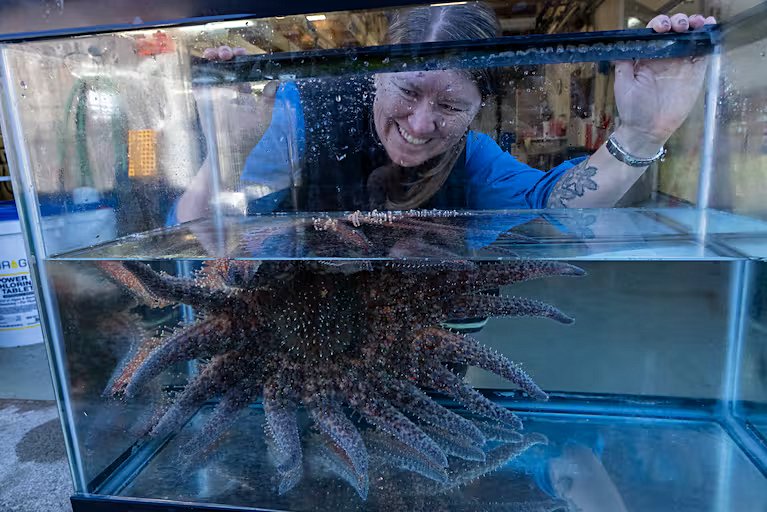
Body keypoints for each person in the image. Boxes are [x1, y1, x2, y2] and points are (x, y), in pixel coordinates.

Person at [174, 3, 716, 224]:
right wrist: (227, 149)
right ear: (376, 75)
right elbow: (192, 232)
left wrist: (644, 130)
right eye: (408, 91)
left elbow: (557, 208)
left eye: (452, 105)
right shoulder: (299, 115)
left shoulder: (474, 158)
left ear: (479, 109)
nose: (420, 125)